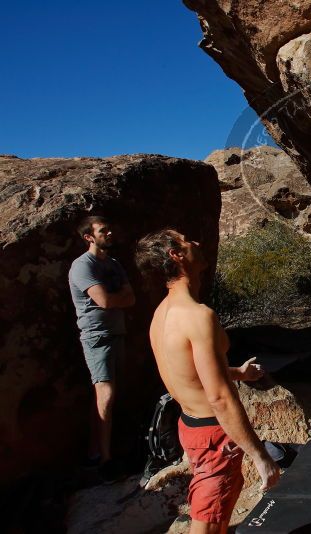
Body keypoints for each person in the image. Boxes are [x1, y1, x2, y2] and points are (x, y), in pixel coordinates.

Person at [135, 229, 279, 534]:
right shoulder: (198, 316)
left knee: (212, 506)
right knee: (210, 517)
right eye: (187, 240)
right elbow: (220, 398)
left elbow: (188, 371)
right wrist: (260, 456)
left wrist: (238, 372)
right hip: (214, 434)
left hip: (190, 425)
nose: (197, 242)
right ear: (176, 255)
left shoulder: (162, 313)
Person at [68, 215, 135, 478]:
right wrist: (115, 298)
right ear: (89, 237)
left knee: (106, 394)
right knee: (105, 393)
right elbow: (105, 301)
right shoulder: (82, 266)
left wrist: (114, 299)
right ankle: (105, 461)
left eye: (109, 229)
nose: (109, 233)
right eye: (103, 230)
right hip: (97, 336)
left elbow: (130, 299)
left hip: (117, 333)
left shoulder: (114, 264)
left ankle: (96, 451)